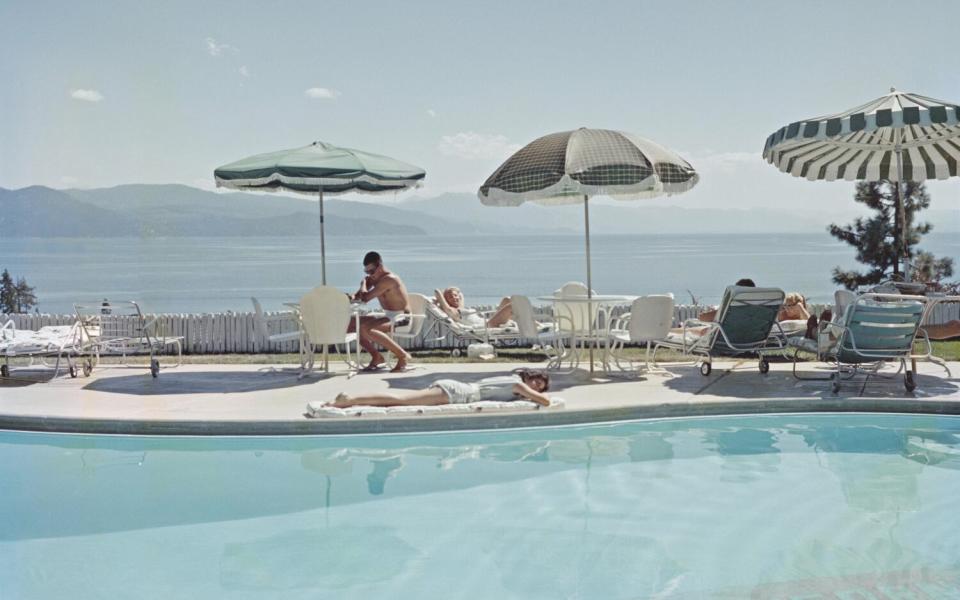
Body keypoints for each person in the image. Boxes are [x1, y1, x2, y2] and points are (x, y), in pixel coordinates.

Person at [331, 369, 552, 408]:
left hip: (457, 391)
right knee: (400, 401)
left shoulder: (510, 379)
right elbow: (546, 402)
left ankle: (350, 399)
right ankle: (349, 400)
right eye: (537, 383)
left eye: (539, 387)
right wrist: (538, 395)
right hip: (458, 393)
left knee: (403, 399)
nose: (536, 389)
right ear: (529, 378)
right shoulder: (518, 384)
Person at [350, 251, 414, 372]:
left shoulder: (389, 279)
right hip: (388, 315)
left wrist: (363, 283)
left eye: (371, 271)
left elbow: (365, 298)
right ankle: (377, 357)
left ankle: (402, 356)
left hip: (402, 317)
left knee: (368, 329)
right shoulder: (374, 279)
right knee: (353, 323)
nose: (370, 274)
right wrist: (349, 297)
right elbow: (358, 297)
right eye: (367, 272)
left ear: (379, 266)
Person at [433, 287, 514, 328]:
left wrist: (456, 294)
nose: (454, 298)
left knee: (507, 299)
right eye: (450, 297)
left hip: (487, 321)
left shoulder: (461, 308)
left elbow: (460, 295)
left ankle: (520, 322)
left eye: (455, 295)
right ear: (446, 301)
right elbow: (438, 294)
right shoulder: (453, 311)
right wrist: (439, 295)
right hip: (486, 326)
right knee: (511, 306)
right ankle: (524, 325)